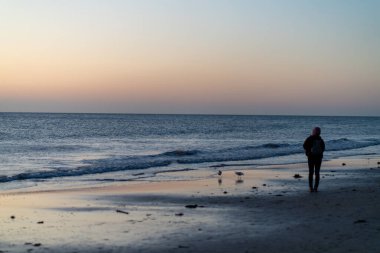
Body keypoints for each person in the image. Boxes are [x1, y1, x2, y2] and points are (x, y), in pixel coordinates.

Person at [303, 127, 325, 192]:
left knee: (311, 172)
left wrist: (308, 152)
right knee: (317, 173)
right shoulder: (320, 139)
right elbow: (323, 148)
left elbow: (304, 146)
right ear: (319, 132)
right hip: (319, 158)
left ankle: (310, 187)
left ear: (313, 131)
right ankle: (316, 187)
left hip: (311, 158)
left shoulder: (309, 138)